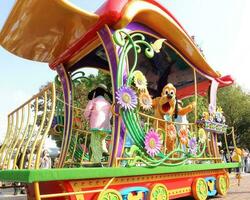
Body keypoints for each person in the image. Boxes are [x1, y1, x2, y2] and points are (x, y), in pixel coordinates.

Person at [84, 84, 112, 166]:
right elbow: (110, 115)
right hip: (106, 127)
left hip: (96, 127)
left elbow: (86, 113)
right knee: (101, 139)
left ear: (95, 92)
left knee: (95, 143)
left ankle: (97, 162)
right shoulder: (107, 103)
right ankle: (104, 150)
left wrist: (88, 119)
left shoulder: (93, 101)